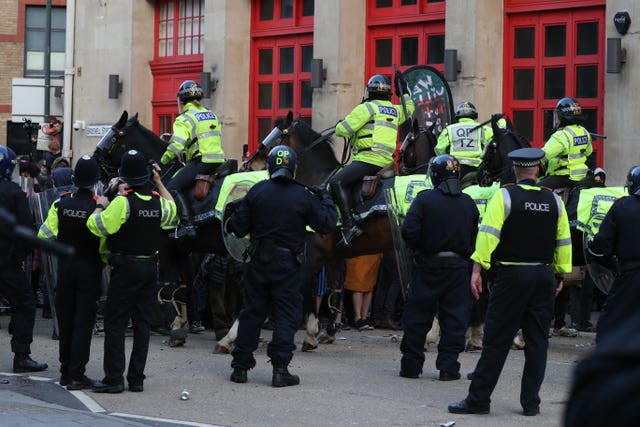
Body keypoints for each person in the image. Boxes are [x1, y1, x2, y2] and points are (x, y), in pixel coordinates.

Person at [448, 147, 571, 416]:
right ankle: (531, 404)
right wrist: (560, 273)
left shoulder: (504, 197)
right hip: (543, 276)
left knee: (496, 340)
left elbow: (488, 235)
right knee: (538, 342)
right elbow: (563, 241)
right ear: (538, 170)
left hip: (512, 277)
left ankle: (478, 400)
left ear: (515, 170)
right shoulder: (555, 201)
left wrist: (477, 269)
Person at [227, 145, 337, 387]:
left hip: (258, 261)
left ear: (270, 167)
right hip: (287, 264)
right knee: (286, 315)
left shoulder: (257, 191)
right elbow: (327, 224)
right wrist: (325, 198)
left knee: (251, 313)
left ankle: (240, 368)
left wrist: (237, 208)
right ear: (293, 168)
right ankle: (280, 370)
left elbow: (237, 227)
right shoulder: (303, 195)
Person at [87, 150, 177, 393]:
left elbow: (97, 227)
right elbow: (173, 211)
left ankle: (114, 379)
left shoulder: (123, 201)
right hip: (150, 268)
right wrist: (158, 180)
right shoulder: (159, 202)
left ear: (124, 176)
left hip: (125, 269)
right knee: (142, 324)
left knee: (115, 323)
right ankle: (136, 379)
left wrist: (99, 206)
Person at [399, 154, 479, 381]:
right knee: (454, 318)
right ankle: (448, 367)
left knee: (417, 316)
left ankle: (411, 366)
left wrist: (421, 247)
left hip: (428, 265)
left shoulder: (424, 200)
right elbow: (475, 237)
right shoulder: (468, 203)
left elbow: (409, 232)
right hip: (458, 267)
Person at [38, 155, 102, 390]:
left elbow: (43, 236)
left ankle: (66, 371)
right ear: (95, 182)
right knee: (83, 323)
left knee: (66, 321)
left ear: (75, 180)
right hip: (89, 270)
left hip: (66, 269)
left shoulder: (60, 204)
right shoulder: (98, 207)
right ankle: (77, 373)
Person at [332, 74, 414, 246]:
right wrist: (404, 92)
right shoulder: (395, 110)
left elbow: (342, 130)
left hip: (367, 160)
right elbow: (410, 109)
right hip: (386, 163)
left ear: (369, 91)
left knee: (336, 182)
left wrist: (342, 122)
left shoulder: (367, 108)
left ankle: (349, 226)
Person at [0, 146, 48, 373]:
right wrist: (20, 256)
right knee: (25, 303)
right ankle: (21, 355)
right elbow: (26, 230)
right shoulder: (14, 193)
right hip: (7, 263)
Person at [159, 80, 224, 238]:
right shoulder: (211, 114)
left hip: (202, 161)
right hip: (219, 161)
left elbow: (177, 145)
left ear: (181, 100)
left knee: (171, 187)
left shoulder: (185, 119)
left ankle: (188, 225)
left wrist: (162, 162)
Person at [588, 165, 640, 344]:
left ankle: (605, 358)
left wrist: (593, 247)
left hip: (630, 273)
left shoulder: (622, 206)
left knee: (612, 314)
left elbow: (603, 243)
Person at [539, 97, 593, 190]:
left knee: (536, 189)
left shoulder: (561, 135)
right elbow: (588, 152)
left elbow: (543, 157)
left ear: (563, 116)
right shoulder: (584, 131)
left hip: (565, 175)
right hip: (582, 174)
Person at [435, 102, 493, 180]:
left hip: (454, 170)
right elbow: (492, 149)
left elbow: (439, 149)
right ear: (475, 116)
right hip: (478, 170)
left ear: (457, 116)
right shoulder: (485, 129)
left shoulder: (448, 129)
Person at [344, 254, 383, 331]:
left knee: (369, 286)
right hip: (359, 253)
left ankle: (364, 318)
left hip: (372, 253)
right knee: (358, 283)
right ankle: (358, 318)